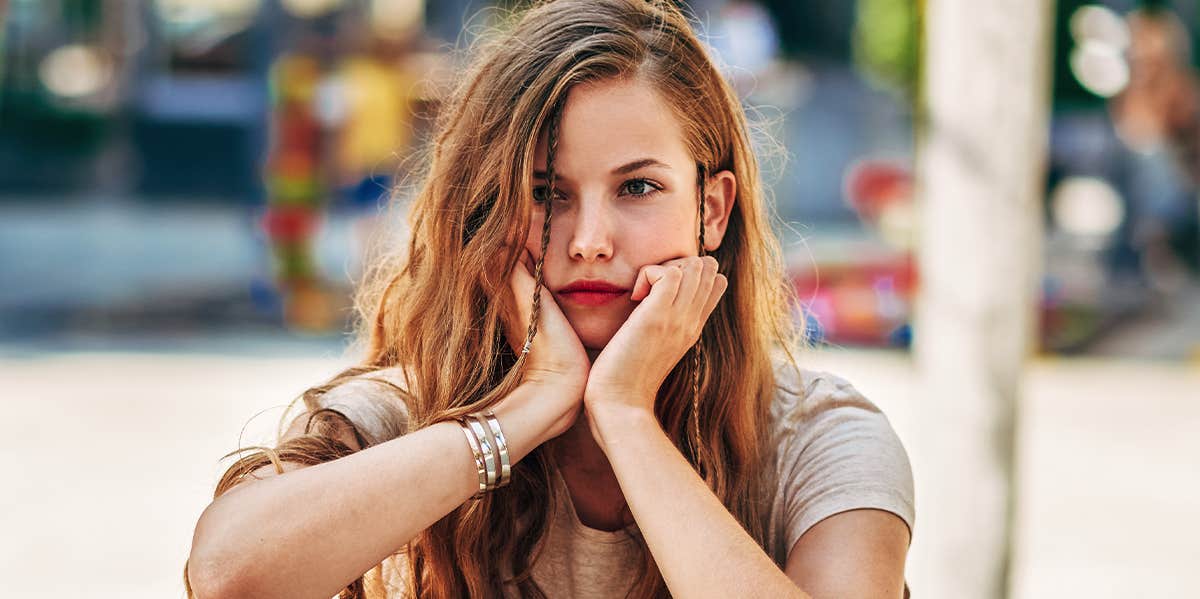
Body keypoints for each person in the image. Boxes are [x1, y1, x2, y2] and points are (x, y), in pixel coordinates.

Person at [185, 1, 914, 598]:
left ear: (712, 210)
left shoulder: (818, 439)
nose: (590, 239)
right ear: (485, 211)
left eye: (638, 187)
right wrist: (527, 406)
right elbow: (227, 576)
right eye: (545, 194)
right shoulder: (410, 416)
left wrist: (626, 416)